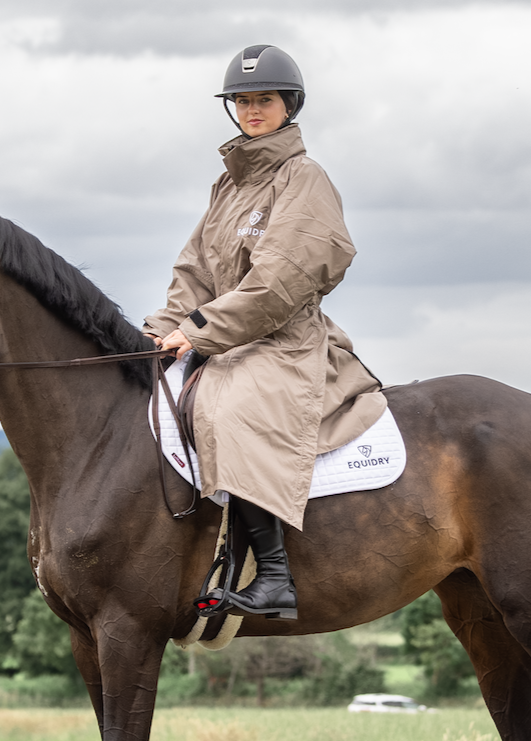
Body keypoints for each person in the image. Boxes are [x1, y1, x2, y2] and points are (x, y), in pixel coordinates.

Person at [144, 44, 387, 618]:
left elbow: (281, 280)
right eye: (243, 101)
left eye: (264, 100)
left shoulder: (305, 179)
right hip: (225, 335)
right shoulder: (227, 187)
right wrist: (163, 328)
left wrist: (201, 331)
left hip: (283, 340)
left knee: (226, 409)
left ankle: (275, 576)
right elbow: (195, 269)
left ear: (288, 105)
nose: (252, 110)